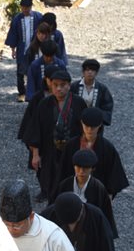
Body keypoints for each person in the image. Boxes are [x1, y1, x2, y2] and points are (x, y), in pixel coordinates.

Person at [22, 69, 86, 202]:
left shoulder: (78, 103)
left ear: (69, 85)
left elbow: (85, 129)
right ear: (50, 84)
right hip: (49, 150)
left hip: (72, 149)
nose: (59, 89)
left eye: (62, 85)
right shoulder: (44, 104)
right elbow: (35, 130)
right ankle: (52, 205)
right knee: (49, 180)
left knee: (70, 180)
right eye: (55, 85)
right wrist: (35, 154)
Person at [58, 107, 129, 199]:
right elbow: (63, 171)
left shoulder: (107, 148)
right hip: (73, 191)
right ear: (82, 123)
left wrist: (109, 195)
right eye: (86, 126)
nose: (89, 130)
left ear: (99, 125)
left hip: (97, 193)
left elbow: (113, 174)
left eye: (93, 127)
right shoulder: (71, 145)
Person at [52, 148, 118, 238]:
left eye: (85, 168)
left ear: (92, 169)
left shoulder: (98, 188)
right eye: (78, 167)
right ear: (74, 167)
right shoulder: (64, 185)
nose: (81, 171)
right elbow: (54, 207)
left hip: (89, 229)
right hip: (66, 228)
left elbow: (105, 214)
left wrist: (106, 234)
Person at [5, 0, 43, 102]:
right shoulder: (17, 19)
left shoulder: (38, 17)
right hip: (22, 49)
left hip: (35, 49)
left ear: (31, 7)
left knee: (35, 69)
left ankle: (35, 91)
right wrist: (13, 49)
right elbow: (13, 34)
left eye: (27, 8)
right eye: (23, 8)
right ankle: (21, 92)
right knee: (20, 72)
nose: (25, 10)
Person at [72, 59, 114, 126]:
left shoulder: (102, 88)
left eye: (93, 70)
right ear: (83, 72)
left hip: (94, 122)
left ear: (96, 73)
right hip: (77, 121)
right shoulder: (74, 86)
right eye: (87, 70)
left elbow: (107, 106)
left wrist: (99, 116)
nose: (90, 72)